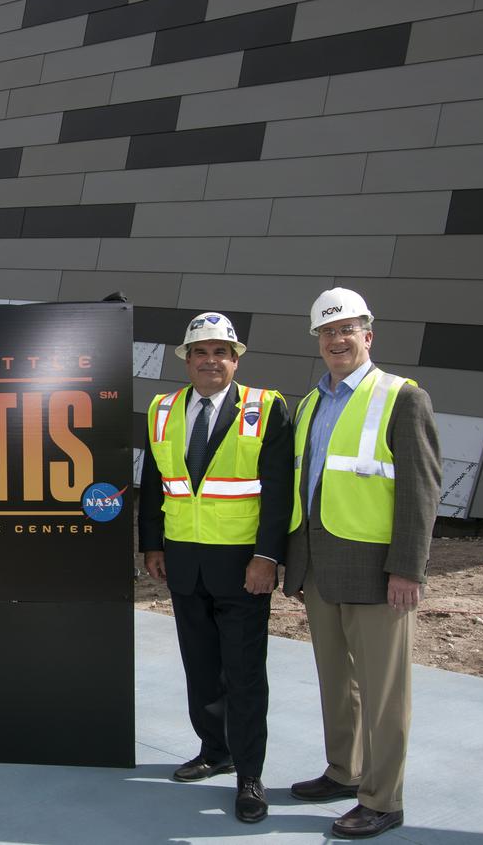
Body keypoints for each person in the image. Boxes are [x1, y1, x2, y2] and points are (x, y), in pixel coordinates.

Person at [284, 288, 440, 839]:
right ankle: (344, 771)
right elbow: (306, 485)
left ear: (367, 336)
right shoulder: (308, 404)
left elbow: (421, 492)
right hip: (321, 568)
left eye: (347, 329)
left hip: (378, 572)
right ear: (318, 341)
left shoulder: (402, 397)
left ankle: (382, 798)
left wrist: (408, 569)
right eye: (327, 332)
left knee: (383, 692)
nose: (337, 340)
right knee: (336, 682)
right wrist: (295, 565)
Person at [138, 312, 293, 824]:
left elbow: (278, 493)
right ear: (187, 359)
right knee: (201, 667)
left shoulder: (266, 408)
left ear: (236, 358)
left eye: (221, 352)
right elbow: (155, 485)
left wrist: (268, 557)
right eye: (200, 353)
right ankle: (214, 750)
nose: (211, 361)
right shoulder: (162, 410)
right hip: (183, 563)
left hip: (244, 567)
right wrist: (152, 545)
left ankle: (249, 774)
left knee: (245, 675)